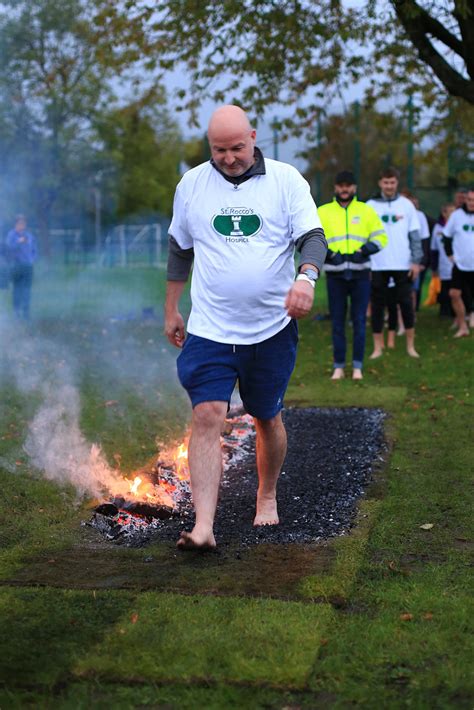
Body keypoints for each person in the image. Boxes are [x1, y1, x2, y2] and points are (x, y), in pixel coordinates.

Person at [164, 105, 327, 549]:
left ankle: (267, 493)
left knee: (266, 416)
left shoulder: (285, 180)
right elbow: (180, 248)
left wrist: (306, 278)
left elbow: (313, 236)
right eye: (220, 150)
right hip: (210, 327)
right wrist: (172, 309)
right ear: (209, 147)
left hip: (270, 329)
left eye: (237, 147)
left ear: (253, 137)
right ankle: (203, 527)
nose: (230, 157)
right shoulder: (192, 185)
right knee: (207, 415)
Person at [318, 170, 387, 380]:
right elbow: (313, 238)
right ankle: (338, 366)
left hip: (360, 274)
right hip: (335, 274)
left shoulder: (365, 210)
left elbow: (381, 237)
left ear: (354, 188)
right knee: (337, 322)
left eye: (348, 185)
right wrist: (329, 254)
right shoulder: (323, 211)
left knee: (358, 321)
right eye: (341, 185)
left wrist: (365, 251)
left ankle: (357, 366)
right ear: (335, 188)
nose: (344, 189)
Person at [366, 168, 422, 359]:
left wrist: (415, 262)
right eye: (385, 182)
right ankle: (378, 347)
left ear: (397, 183)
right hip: (377, 264)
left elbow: (415, 236)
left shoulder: (406, 205)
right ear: (380, 183)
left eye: (392, 182)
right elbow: (364, 237)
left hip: (403, 265)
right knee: (378, 306)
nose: (389, 186)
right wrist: (366, 262)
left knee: (406, 305)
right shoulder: (370, 205)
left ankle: (410, 346)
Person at [443, 187, 474, 337]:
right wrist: (450, 254)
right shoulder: (457, 215)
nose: (471, 203)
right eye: (469, 200)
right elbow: (446, 236)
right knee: (454, 294)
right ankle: (462, 326)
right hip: (460, 264)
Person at [5, 215, 38, 320]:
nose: (21, 225)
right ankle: (16, 312)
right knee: (17, 289)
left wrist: (32, 259)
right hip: (16, 266)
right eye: (19, 223)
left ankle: (26, 312)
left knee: (27, 290)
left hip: (28, 266)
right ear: (15, 224)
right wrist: (18, 242)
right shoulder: (11, 235)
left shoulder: (29, 236)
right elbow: (8, 248)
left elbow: (34, 249)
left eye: (23, 223)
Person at [430, 203, 455, 317]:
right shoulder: (438, 228)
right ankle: (445, 312)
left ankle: (458, 313)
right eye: (450, 212)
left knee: (458, 290)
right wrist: (434, 267)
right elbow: (434, 248)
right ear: (444, 213)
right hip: (444, 264)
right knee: (444, 289)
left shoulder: (458, 226)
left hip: (459, 264)